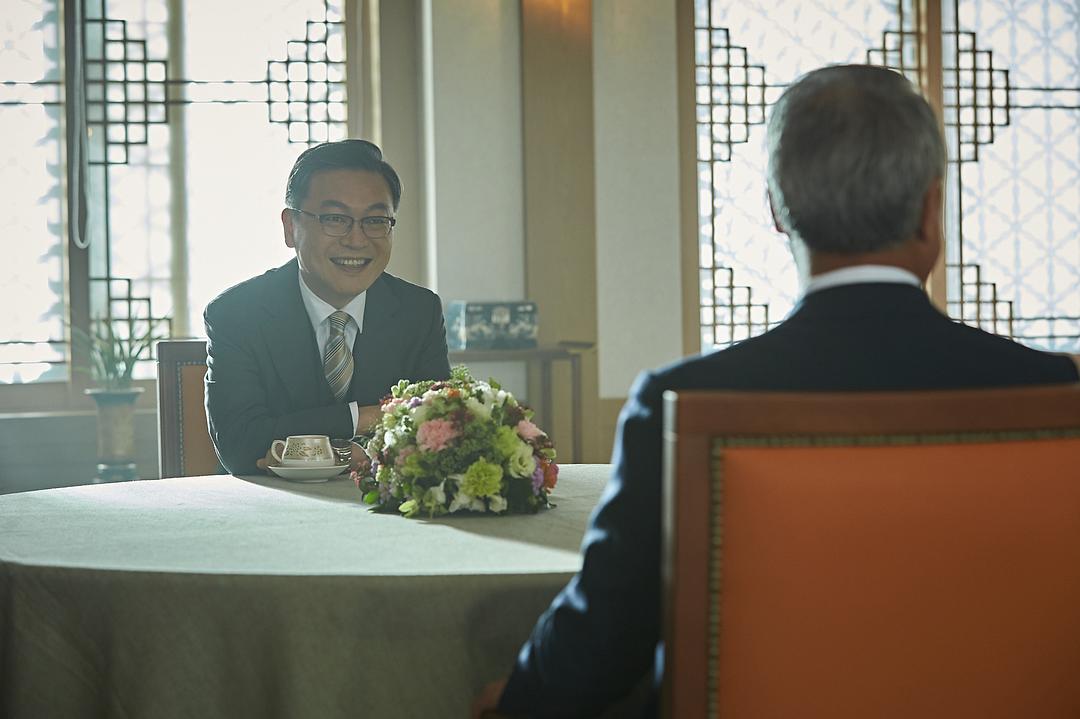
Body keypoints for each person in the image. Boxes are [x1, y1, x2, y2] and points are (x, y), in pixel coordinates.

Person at [474, 64, 1080, 718]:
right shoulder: (1055, 392)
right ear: (933, 211)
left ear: (775, 210)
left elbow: (603, 643)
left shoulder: (679, 401)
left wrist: (519, 699)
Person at [204, 139, 451, 475]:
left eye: (375, 220)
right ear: (290, 227)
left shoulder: (418, 311)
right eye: (335, 219)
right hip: (272, 504)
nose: (357, 240)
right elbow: (242, 446)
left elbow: (438, 432)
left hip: (386, 503)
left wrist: (345, 453)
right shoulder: (236, 314)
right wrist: (362, 418)